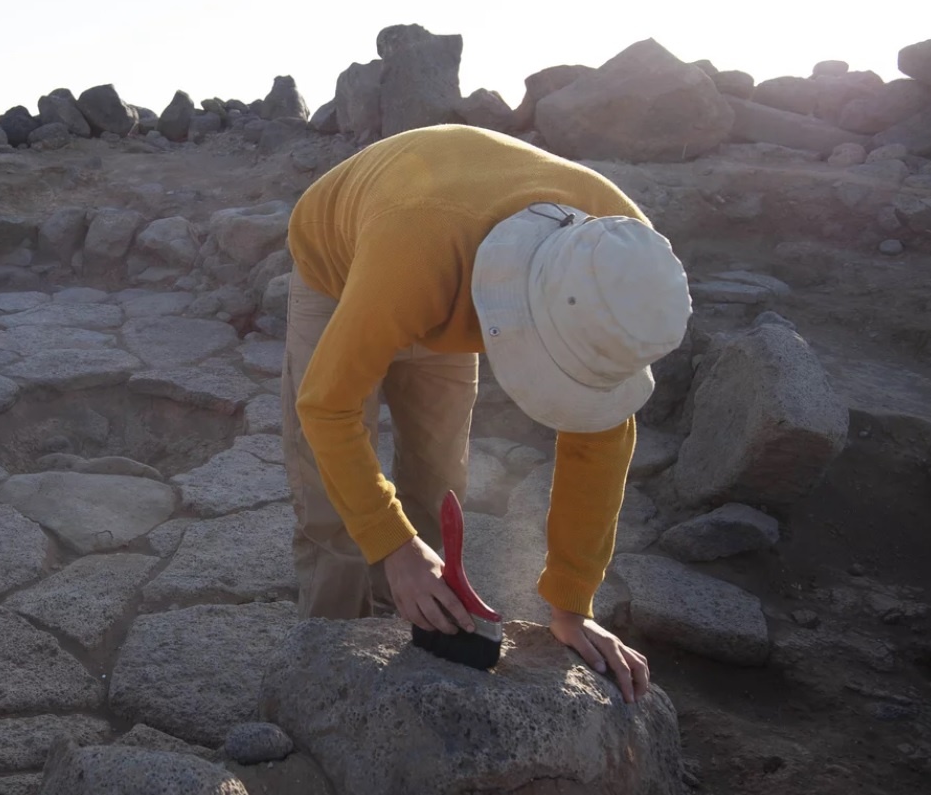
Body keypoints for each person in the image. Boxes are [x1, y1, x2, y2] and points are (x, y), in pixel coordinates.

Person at [280, 124, 692, 704]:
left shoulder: (627, 261)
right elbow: (327, 407)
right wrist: (392, 544)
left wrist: (573, 606)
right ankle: (324, 675)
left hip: (441, 255)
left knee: (440, 470)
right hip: (346, 259)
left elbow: (600, 437)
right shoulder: (414, 251)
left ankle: (415, 617)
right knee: (335, 509)